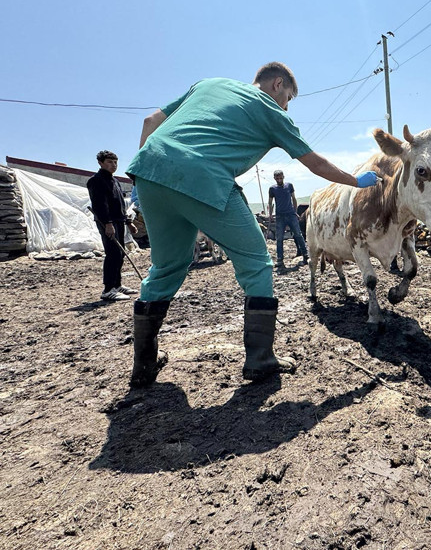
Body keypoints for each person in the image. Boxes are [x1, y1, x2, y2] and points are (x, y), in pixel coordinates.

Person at [125, 62, 379, 388]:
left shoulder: (209, 83)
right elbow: (315, 163)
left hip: (148, 171)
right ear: (277, 84)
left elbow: (151, 121)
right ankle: (260, 359)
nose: (287, 107)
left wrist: (143, 183)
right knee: (257, 262)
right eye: (287, 98)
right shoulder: (273, 112)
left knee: (165, 268)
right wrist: (357, 180)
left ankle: (143, 366)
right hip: (204, 176)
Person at [86, 150, 139, 302]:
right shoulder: (96, 181)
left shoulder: (114, 181)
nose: (113, 165)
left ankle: (117, 285)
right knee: (113, 254)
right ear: (100, 163)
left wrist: (129, 222)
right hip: (107, 222)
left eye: (115, 162)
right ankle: (108, 289)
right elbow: (99, 205)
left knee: (120, 253)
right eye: (109, 162)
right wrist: (108, 224)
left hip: (118, 221)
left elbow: (120, 204)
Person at [268, 169, 308, 268]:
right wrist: (270, 215)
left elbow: (294, 198)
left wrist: (295, 212)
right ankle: (280, 260)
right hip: (279, 216)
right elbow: (270, 202)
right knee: (279, 239)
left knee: (298, 235)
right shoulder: (272, 189)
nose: (279, 179)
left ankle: (306, 256)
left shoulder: (289, 186)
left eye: (280, 177)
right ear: (274, 178)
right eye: (277, 178)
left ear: (283, 177)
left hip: (290, 215)